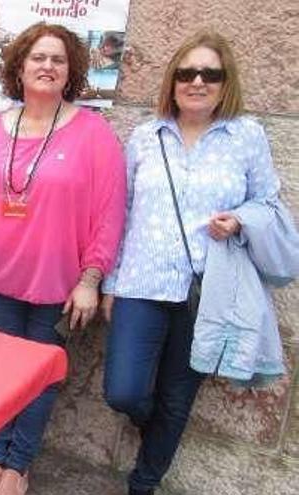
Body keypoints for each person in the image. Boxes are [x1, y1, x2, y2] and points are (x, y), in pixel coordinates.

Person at [100, 31, 284, 495]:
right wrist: (110, 282)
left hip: (207, 291)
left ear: (225, 83)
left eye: (210, 74)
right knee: (123, 391)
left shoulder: (246, 136)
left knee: (178, 398)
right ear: (173, 81)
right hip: (141, 284)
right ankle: (154, 428)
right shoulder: (146, 136)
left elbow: (269, 203)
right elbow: (120, 213)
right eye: (187, 73)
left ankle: (143, 483)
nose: (197, 81)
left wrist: (240, 219)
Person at [0, 23, 126, 495]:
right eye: (38, 58)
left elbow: (109, 215)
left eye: (58, 60)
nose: (47, 66)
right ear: (20, 66)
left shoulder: (94, 134)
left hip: (59, 285)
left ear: (70, 71)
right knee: (0, 373)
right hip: (1, 280)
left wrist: (91, 278)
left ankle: (19, 463)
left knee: (41, 377)